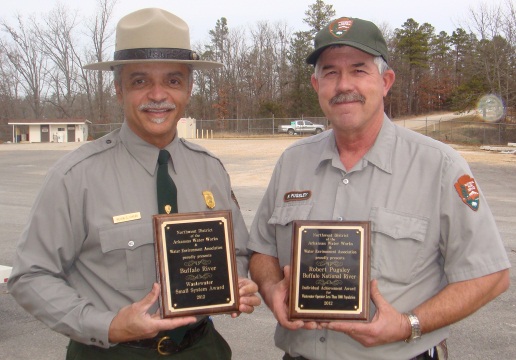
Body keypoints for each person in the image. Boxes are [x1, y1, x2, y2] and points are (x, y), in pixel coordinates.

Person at [248, 16, 510, 360]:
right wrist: (271, 288)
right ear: (316, 85)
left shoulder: (439, 166)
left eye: (359, 70)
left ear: (385, 81)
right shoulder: (292, 162)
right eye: (330, 72)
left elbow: (489, 275)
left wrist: (409, 324)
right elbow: (262, 249)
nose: (343, 85)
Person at [8, 8, 260, 360]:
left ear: (188, 87)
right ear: (118, 89)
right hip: (112, 352)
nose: (158, 95)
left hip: (202, 348)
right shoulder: (76, 176)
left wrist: (239, 283)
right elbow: (31, 276)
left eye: (173, 80)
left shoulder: (210, 169)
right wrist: (106, 325)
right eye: (140, 81)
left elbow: (238, 252)